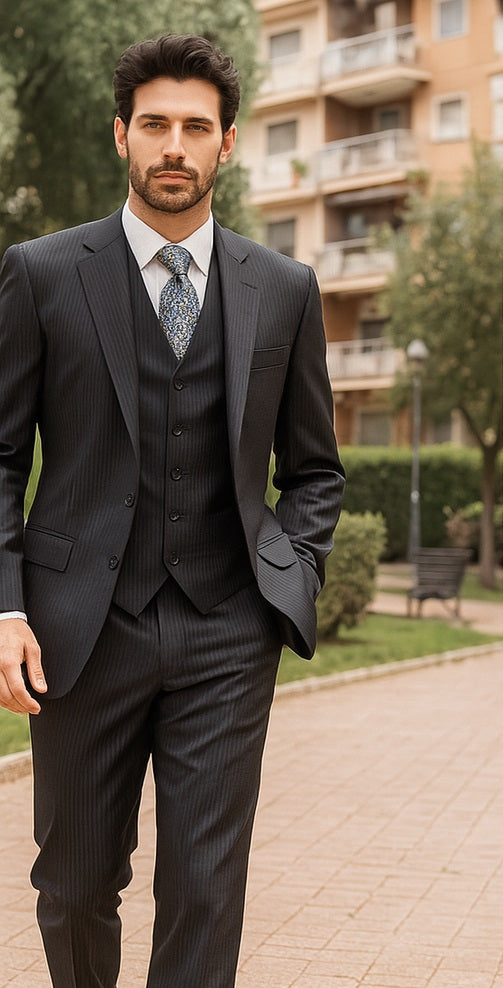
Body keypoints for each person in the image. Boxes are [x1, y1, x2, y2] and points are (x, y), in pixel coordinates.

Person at [0, 33, 345, 988]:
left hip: (229, 628)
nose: (174, 147)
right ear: (122, 134)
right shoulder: (41, 273)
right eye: (155, 124)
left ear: (227, 142)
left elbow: (314, 469)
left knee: (205, 890)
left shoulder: (283, 289)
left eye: (196, 127)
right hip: (80, 629)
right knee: (74, 888)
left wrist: (290, 579)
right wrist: (6, 606)